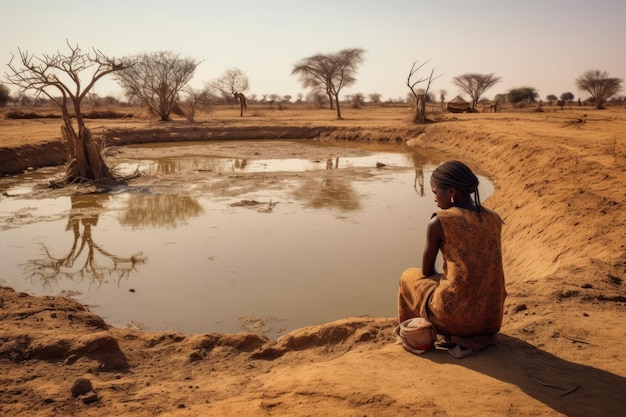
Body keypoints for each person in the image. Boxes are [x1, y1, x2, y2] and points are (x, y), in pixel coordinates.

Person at [397, 160, 506, 356]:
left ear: (452, 192)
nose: (435, 198)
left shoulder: (440, 221)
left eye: (435, 192)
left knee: (408, 276)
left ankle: (417, 335)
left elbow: (427, 271)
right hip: (491, 320)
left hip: (453, 320)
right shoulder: (494, 219)